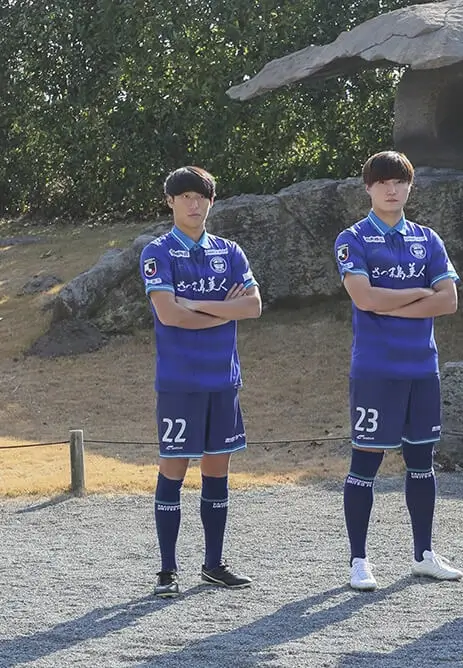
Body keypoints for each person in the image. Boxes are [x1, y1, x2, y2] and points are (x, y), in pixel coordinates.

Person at [334, 150, 463, 591]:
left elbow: (449, 300)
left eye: (399, 182)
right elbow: (364, 298)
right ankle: (358, 561)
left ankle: (424, 554)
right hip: (375, 369)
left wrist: (390, 301)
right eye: (383, 183)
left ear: (410, 186)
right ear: (368, 188)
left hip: (422, 368)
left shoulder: (428, 239)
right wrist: (419, 293)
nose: (391, 190)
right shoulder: (353, 238)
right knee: (365, 462)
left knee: (421, 462)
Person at [140, 166, 262, 598]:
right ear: (170, 201)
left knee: (217, 471)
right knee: (173, 469)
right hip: (179, 382)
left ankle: (213, 565)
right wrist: (221, 309)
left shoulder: (230, 251)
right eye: (185, 196)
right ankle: (167, 571)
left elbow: (253, 307)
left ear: (211, 202)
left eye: (201, 197)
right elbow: (169, 314)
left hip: (223, 381)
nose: (194, 204)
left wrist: (193, 304)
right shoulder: (158, 252)